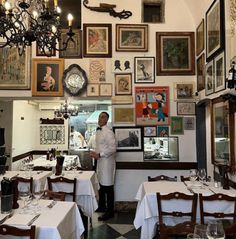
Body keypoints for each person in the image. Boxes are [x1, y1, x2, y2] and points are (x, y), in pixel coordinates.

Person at [89, 112, 116, 221]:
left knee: (108, 187)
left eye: (103, 117)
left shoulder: (109, 132)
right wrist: (94, 153)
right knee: (101, 185)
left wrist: (99, 154)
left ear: (107, 119)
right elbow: (100, 147)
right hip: (99, 163)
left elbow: (112, 149)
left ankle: (110, 212)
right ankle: (101, 206)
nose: (100, 119)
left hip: (107, 164)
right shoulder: (98, 132)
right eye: (99, 117)